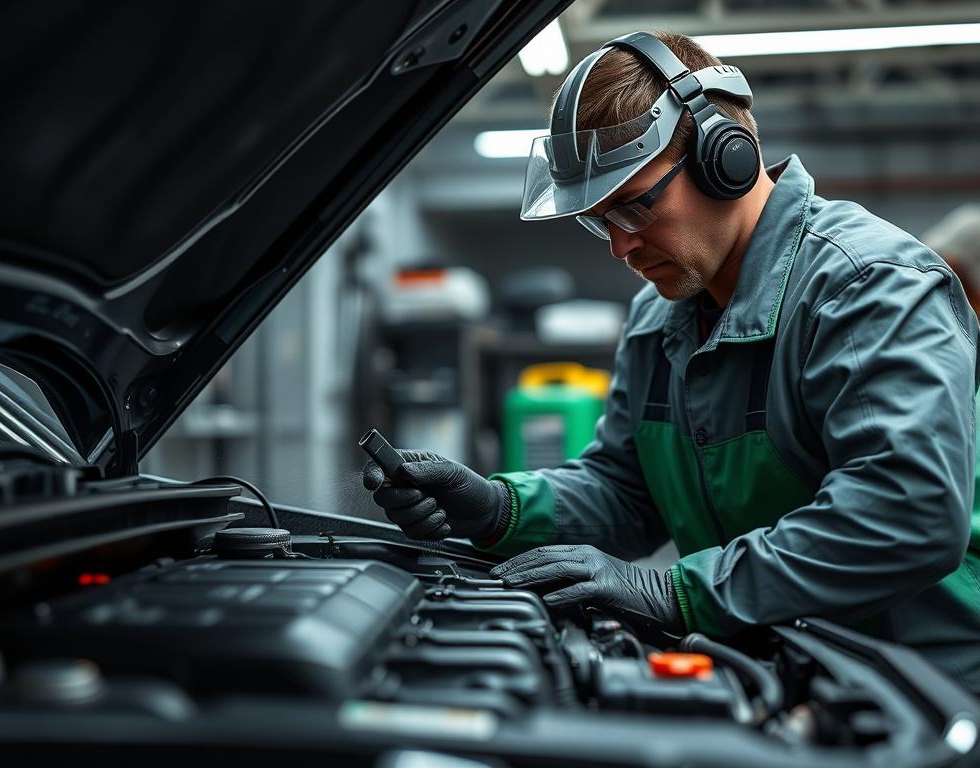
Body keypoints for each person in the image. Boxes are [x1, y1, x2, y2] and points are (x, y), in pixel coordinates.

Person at [363, 31, 980, 692]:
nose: (620, 246)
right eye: (600, 220)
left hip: (921, 692)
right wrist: (497, 506)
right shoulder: (659, 318)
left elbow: (905, 512)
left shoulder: (865, 286)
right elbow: (628, 492)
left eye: (634, 204)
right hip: (781, 674)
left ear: (727, 159)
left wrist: (676, 592)